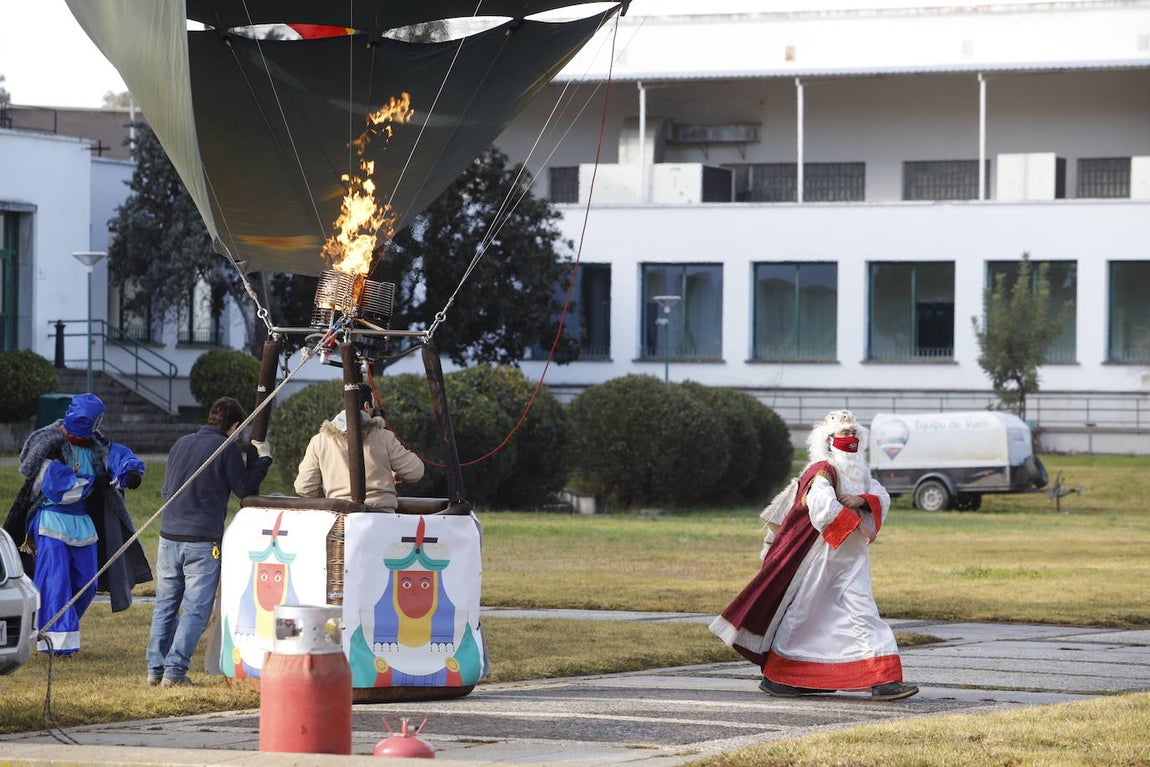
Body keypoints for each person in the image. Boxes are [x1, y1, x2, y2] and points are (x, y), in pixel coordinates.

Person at [709, 409, 919, 701]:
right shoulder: (822, 469)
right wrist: (855, 521)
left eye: (854, 432)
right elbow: (820, 505)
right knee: (806, 617)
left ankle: (882, 679)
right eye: (844, 434)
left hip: (851, 559)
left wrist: (863, 500)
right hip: (821, 559)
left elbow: (880, 494)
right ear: (829, 439)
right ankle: (782, 677)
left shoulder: (860, 471)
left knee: (861, 613)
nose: (851, 438)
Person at [2, 393, 151, 656]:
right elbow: (51, 482)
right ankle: (56, 645)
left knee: (88, 582)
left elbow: (119, 457)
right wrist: (89, 480)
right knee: (55, 580)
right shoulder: (47, 442)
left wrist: (129, 471)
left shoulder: (97, 445)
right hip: (50, 519)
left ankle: (57, 629)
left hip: (82, 522)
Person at [145, 396, 271, 687]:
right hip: (202, 541)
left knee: (165, 604)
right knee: (196, 610)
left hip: (168, 536)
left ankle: (155, 669)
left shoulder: (181, 443)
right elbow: (244, 490)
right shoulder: (225, 449)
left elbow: (167, 488)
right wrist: (263, 460)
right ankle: (175, 672)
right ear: (235, 425)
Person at [294, 384, 425, 510]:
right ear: (367, 406)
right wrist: (395, 476)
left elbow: (304, 487)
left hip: (338, 516)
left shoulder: (319, 440)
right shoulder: (384, 437)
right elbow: (415, 471)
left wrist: (328, 494)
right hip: (381, 515)